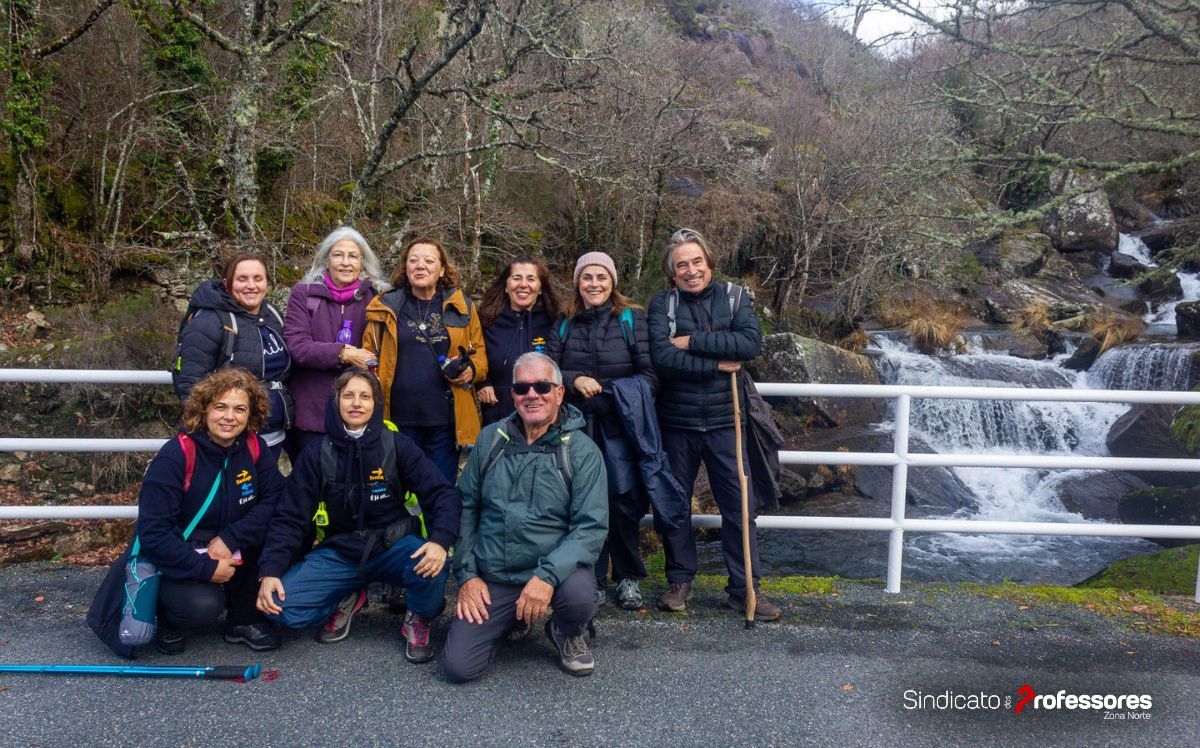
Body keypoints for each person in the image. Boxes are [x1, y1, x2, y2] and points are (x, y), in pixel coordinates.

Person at [256, 368, 461, 663]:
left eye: (365, 396)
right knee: (278, 606)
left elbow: (442, 494)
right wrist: (270, 570)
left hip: (394, 546)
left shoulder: (397, 445)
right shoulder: (317, 453)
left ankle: (417, 615)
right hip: (340, 552)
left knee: (433, 565)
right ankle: (349, 594)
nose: (356, 403)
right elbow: (290, 517)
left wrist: (440, 541)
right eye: (348, 395)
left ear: (375, 404)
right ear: (336, 401)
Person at [442, 353, 608, 681]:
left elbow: (590, 528)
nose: (532, 395)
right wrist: (467, 575)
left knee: (578, 597)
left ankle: (566, 629)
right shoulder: (490, 439)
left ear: (559, 393)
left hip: (553, 572)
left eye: (542, 386)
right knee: (458, 667)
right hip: (494, 574)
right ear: (513, 395)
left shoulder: (581, 451)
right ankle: (512, 618)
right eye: (522, 387)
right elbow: (465, 508)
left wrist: (546, 577)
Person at [646, 228, 781, 621]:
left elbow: (750, 345)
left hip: (728, 420)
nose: (691, 271)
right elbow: (661, 358)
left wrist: (692, 342)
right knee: (673, 505)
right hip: (677, 423)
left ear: (709, 263)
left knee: (740, 508)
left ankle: (744, 590)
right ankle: (680, 581)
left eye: (696, 262)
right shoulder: (662, 305)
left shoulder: (734, 297)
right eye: (682, 265)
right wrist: (717, 362)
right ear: (672, 273)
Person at [547, 251, 692, 612]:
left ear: (612, 282)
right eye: (587, 277)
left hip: (621, 426)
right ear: (577, 282)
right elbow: (547, 371)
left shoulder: (631, 318)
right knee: (579, 502)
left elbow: (650, 374)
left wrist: (612, 393)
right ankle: (590, 578)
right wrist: (574, 379)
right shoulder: (564, 322)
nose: (594, 284)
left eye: (601, 277)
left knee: (623, 502)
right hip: (575, 428)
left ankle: (627, 576)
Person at [136, 368, 285, 654]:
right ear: (203, 409)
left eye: (240, 409)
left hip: (233, 545)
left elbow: (276, 498)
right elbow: (154, 534)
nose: (229, 417)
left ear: (250, 415)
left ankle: (241, 620)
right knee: (202, 606)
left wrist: (231, 538)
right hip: (183, 555)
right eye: (221, 407)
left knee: (290, 529)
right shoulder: (176, 455)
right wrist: (206, 567)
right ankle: (170, 618)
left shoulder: (254, 448)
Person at [364, 238, 487, 482]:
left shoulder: (461, 305)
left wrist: (471, 369)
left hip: (444, 423)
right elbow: (368, 355)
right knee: (400, 494)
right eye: (413, 260)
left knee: (440, 490)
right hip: (397, 420)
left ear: (442, 269)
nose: (420, 266)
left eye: (429, 261)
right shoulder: (385, 307)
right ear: (405, 268)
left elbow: (480, 354)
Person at [173, 252, 292, 458]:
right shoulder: (209, 321)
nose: (251, 285)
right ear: (228, 283)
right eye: (242, 279)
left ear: (267, 283)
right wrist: (209, 436)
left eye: (258, 278)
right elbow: (190, 384)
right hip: (227, 436)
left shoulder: (272, 314)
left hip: (272, 433)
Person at [284, 227, 390, 456]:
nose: (345, 262)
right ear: (326, 259)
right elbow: (298, 347)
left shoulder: (377, 299)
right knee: (311, 483)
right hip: (312, 413)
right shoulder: (304, 294)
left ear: (363, 262)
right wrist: (344, 353)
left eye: (353, 256)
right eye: (338, 255)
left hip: (359, 414)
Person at [476, 255, 559, 425]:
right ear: (506, 286)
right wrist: (482, 383)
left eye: (531, 279)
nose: (523, 285)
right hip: (497, 415)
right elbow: (476, 355)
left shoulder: (553, 321)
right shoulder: (487, 321)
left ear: (540, 288)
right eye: (516, 278)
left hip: (542, 418)